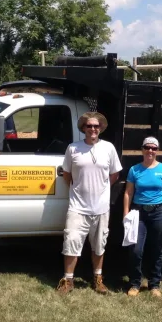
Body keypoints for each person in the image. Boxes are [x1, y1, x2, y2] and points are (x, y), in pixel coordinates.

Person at [56, 112, 123, 295]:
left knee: (99, 244)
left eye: (96, 126)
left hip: (101, 207)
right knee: (71, 242)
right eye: (89, 126)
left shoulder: (108, 148)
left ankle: (98, 279)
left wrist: (102, 189)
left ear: (100, 128)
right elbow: (67, 175)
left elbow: (114, 174)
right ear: (83, 128)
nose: (93, 129)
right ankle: (68, 280)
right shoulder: (73, 149)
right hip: (77, 206)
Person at [123, 136, 162, 298]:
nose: (150, 151)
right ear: (142, 149)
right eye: (147, 147)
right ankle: (135, 283)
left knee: (156, 248)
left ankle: (154, 284)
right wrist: (125, 213)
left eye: (153, 148)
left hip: (159, 212)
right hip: (138, 213)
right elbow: (128, 192)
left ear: (157, 151)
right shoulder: (134, 170)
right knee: (136, 249)